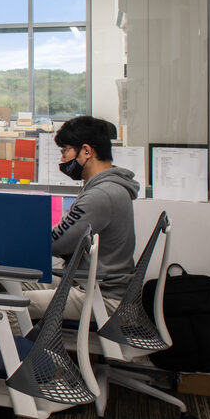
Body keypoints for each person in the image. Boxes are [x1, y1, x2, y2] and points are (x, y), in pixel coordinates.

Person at [23, 116, 140, 320]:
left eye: (65, 151)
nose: (62, 159)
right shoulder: (105, 186)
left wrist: (19, 242)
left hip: (102, 297)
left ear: (86, 151)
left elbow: (57, 242)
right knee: (18, 284)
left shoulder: (101, 194)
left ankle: (30, 353)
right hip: (92, 283)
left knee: (11, 308)